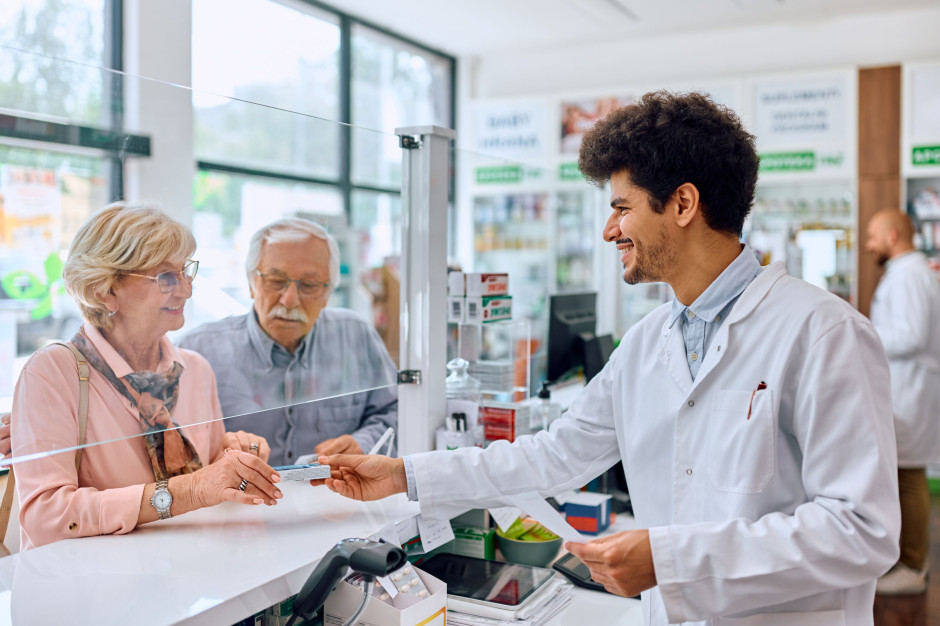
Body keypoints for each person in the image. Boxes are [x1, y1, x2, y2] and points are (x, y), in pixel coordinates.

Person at [313, 92, 900, 625]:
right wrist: (405, 475)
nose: (608, 230)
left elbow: (864, 532)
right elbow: (553, 456)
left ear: (683, 203)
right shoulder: (648, 342)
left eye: (622, 208)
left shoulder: (822, 332)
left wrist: (670, 558)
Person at [11, 202, 282, 550]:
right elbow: (46, 517)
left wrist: (238, 457)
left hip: (186, 585)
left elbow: (213, 488)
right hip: (90, 591)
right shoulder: (51, 373)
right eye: (167, 277)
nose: (186, 289)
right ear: (105, 290)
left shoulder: (196, 370)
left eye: (186, 272)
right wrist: (190, 490)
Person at [176, 218, 397, 466]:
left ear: (327, 294)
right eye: (276, 281)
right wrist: (217, 448)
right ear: (252, 283)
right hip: (239, 501)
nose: (290, 300)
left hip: (336, 499)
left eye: (309, 285)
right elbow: (173, 445)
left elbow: (397, 411)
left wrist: (363, 442)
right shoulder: (197, 351)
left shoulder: (356, 337)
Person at [865, 207, 940, 595]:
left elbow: (909, 336)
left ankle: (913, 565)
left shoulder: (910, 276)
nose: (868, 244)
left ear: (893, 236)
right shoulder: (908, 273)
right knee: (904, 473)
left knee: (909, 476)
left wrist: (863, 334)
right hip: (906, 388)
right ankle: (905, 558)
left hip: (911, 390)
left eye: (873, 236)